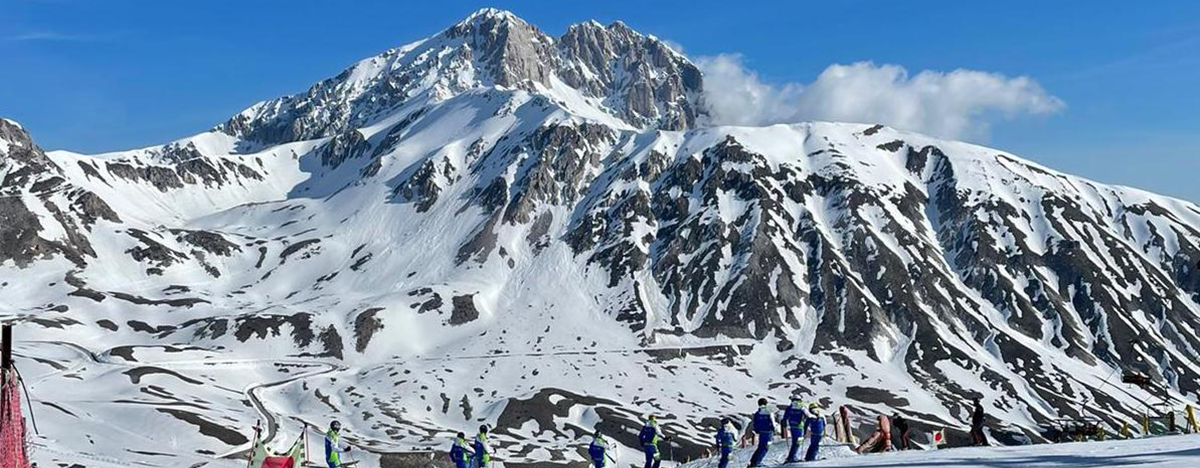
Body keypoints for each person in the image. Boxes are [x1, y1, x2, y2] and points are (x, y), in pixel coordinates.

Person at [748, 398, 775, 468]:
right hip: (768, 431)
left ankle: (753, 462)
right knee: (765, 448)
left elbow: (755, 422)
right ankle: (757, 463)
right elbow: (772, 421)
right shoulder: (769, 411)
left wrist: (757, 430)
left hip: (761, 432)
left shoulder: (758, 412)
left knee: (760, 447)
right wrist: (774, 429)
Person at [781, 396, 807, 463]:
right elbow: (808, 415)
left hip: (792, 426)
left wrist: (784, 425)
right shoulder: (801, 407)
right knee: (797, 442)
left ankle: (791, 457)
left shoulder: (790, 407)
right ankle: (792, 457)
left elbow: (785, 418)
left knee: (795, 442)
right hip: (800, 426)